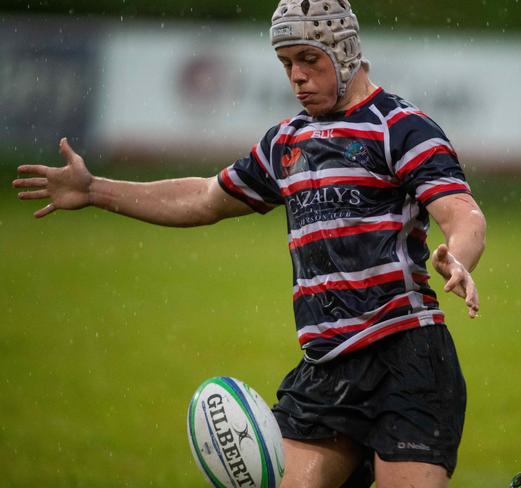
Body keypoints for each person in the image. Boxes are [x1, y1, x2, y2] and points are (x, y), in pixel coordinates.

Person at [13, 0, 486, 486]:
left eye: (309, 59)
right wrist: (94, 191)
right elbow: (203, 198)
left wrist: (460, 257)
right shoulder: (286, 143)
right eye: (286, 64)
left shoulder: (399, 127)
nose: (297, 76)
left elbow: (462, 213)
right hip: (325, 365)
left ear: (344, 53)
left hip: (406, 356)